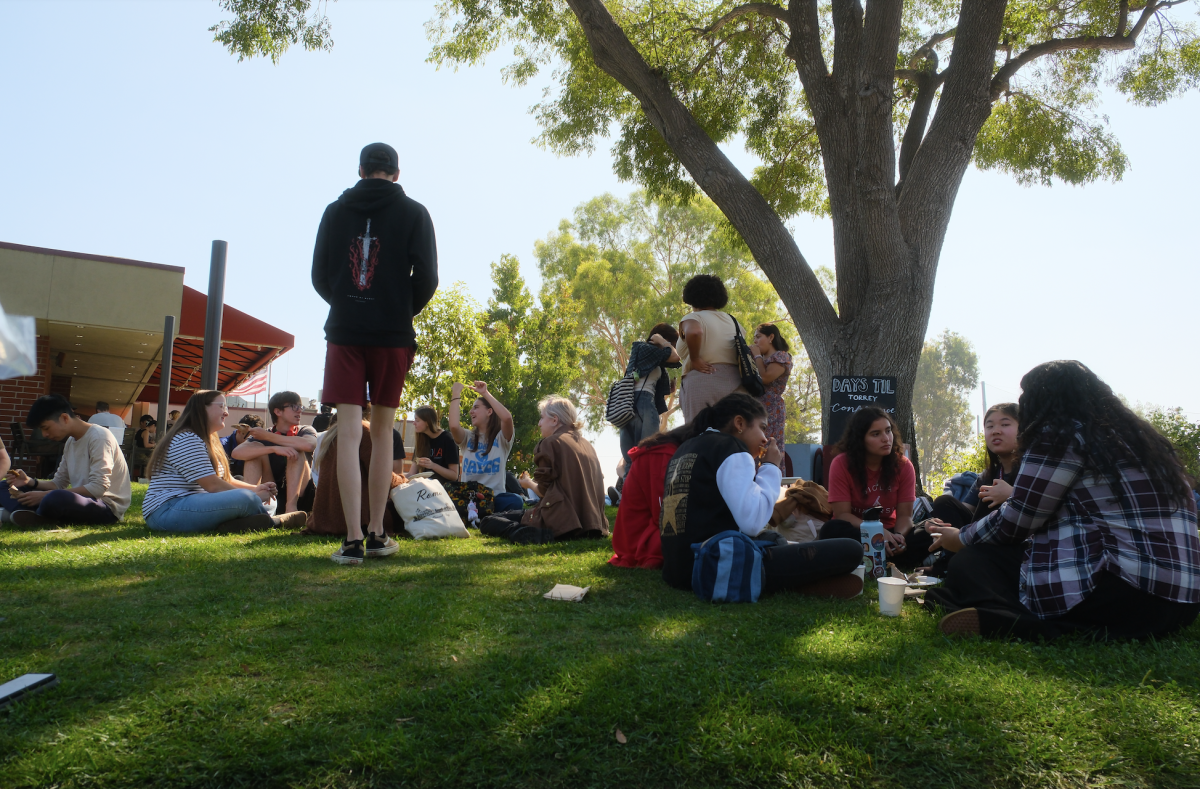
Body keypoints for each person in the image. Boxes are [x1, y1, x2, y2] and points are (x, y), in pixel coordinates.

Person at [924, 361, 1200, 640]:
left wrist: (960, 538)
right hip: (1182, 602)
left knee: (971, 561)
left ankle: (1014, 621)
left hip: (1123, 594)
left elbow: (1018, 520)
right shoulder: (1141, 441)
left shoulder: (1060, 434)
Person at [312, 142, 438, 565]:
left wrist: (348, 301)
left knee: (348, 433)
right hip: (392, 332)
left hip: (346, 330)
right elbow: (428, 277)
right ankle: (378, 534)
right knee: (384, 432)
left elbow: (320, 274)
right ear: (396, 174)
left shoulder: (334, 210)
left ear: (362, 170)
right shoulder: (416, 213)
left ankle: (351, 540)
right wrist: (398, 308)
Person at [659, 393, 863, 596]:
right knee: (851, 549)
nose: (765, 439)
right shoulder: (732, 448)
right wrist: (771, 467)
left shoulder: (686, 447)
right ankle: (798, 584)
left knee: (775, 539)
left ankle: (795, 582)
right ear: (739, 423)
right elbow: (753, 523)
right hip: (716, 566)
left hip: (679, 570)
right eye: (762, 428)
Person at [142, 391, 308, 533]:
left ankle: (233, 525)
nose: (226, 412)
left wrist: (257, 488)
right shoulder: (187, 438)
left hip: (193, 503)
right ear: (202, 408)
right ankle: (275, 522)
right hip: (167, 510)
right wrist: (253, 495)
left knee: (269, 500)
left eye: (226, 407)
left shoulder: (209, 439)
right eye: (221, 406)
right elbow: (213, 485)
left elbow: (226, 480)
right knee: (247, 499)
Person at [478, 396, 607, 543]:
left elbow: (544, 491)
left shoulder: (550, 443)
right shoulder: (586, 444)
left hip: (562, 521)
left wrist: (528, 484)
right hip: (592, 524)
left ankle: (526, 533)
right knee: (514, 514)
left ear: (554, 420)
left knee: (488, 521)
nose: (539, 424)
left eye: (542, 418)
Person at [1, 395, 131, 528]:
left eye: (46, 428)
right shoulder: (70, 441)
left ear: (64, 418)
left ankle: (29, 513)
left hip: (105, 506)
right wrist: (29, 481)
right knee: (4, 486)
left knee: (55, 497)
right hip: (80, 500)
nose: (44, 434)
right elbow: (58, 483)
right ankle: (31, 514)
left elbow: (98, 488)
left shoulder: (99, 437)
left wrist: (45, 495)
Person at [818, 407, 924, 568]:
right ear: (860, 439)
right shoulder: (841, 464)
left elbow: (905, 517)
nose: (886, 439)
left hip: (891, 531)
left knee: (928, 533)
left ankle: (880, 557)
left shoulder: (903, 465)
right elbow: (842, 515)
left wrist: (897, 538)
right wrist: (877, 533)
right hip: (857, 531)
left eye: (888, 431)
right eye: (876, 434)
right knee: (831, 530)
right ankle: (893, 560)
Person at [305, 417, 407, 537]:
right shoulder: (364, 430)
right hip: (357, 520)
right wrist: (405, 481)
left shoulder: (334, 433)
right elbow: (384, 478)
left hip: (325, 519)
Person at [609, 424, 691, 569]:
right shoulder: (663, 456)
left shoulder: (663, 452)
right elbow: (665, 514)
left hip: (637, 536)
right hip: (641, 541)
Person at [928, 403, 1022, 529]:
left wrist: (1012, 495)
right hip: (980, 536)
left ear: (1023, 429)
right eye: (990, 426)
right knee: (943, 503)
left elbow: (1046, 507)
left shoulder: (1033, 470)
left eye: (1005, 424)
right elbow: (966, 511)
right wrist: (934, 522)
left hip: (1018, 539)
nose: (995, 431)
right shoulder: (987, 476)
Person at [232, 391, 318, 514]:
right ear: (278, 412)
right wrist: (273, 448)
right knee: (254, 452)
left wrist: (268, 437)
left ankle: (291, 511)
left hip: (302, 495)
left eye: (300, 407)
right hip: (273, 492)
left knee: (296, 449)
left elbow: (309, 445)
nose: (299, 411)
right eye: (294, 406)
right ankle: (250, 506)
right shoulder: (264, 434)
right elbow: (237, 453)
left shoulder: (305, 430)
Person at [676, 275, 744, 423]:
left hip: (703, 380)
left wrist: (694, 359)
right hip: (737, 384)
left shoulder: (693, 318)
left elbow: (694, 332)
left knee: (699, 435)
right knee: (732, 438)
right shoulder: (734, 322)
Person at [448, 381, 523, 513]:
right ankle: (478, 515)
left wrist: (485, 393)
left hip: (494, 499)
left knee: (516, 500)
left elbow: (507, 418)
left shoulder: (501, 438)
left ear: (489, 411)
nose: (471, 411)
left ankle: (481, 515)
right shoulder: (467, 437)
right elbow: (454, 426)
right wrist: (456, 394)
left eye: (476, 407)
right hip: (469, 498)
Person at [619, 323, 682, 472]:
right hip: (643, 405)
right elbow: (675, 357)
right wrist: (662, 341)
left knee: (632, 461)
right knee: (647, 455)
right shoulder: (645, 348)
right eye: (673, 343)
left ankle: (627, 494)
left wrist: (668, 388)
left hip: (627, 406)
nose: (673, 347)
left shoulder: (649, 356)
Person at [751, 324, 793, 455]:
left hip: (772, 408)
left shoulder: (782, 357)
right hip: (755, 408)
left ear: (771, 337)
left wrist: (757, 356)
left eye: (758, 337)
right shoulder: (760, 360)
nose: (755, 341)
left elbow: (765, 377)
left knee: (768, 447)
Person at [410, 406, 459, 482]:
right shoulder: (421, 441)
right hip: (425, 489)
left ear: (427, 422)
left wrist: (432, 465)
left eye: (417, 420)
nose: (414, 423)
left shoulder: (448, 439)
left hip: (443, 490)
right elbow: (411, 473)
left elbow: (454, 475)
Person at [221, 414, 265, 478]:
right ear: (239, 431)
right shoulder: (222, 446)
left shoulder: (258, 448)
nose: (253, 441)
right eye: (250, 437)